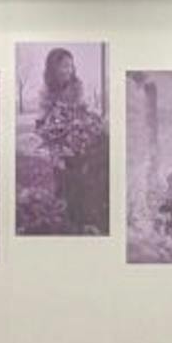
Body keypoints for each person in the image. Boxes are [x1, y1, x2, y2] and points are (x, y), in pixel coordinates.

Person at [31, 46, 109, 235]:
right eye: (64, 66)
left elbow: (86, 113)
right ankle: (72, 221)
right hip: (60, 144)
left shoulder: (78, 87)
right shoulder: (45, 92)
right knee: (67, 182)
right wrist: (56, 139)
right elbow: (42, 123)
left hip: (82, 141)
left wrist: (87, 125)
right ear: (53, 68)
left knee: (89, 175)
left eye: (71, 66)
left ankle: (92, 217)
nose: (68, 70)